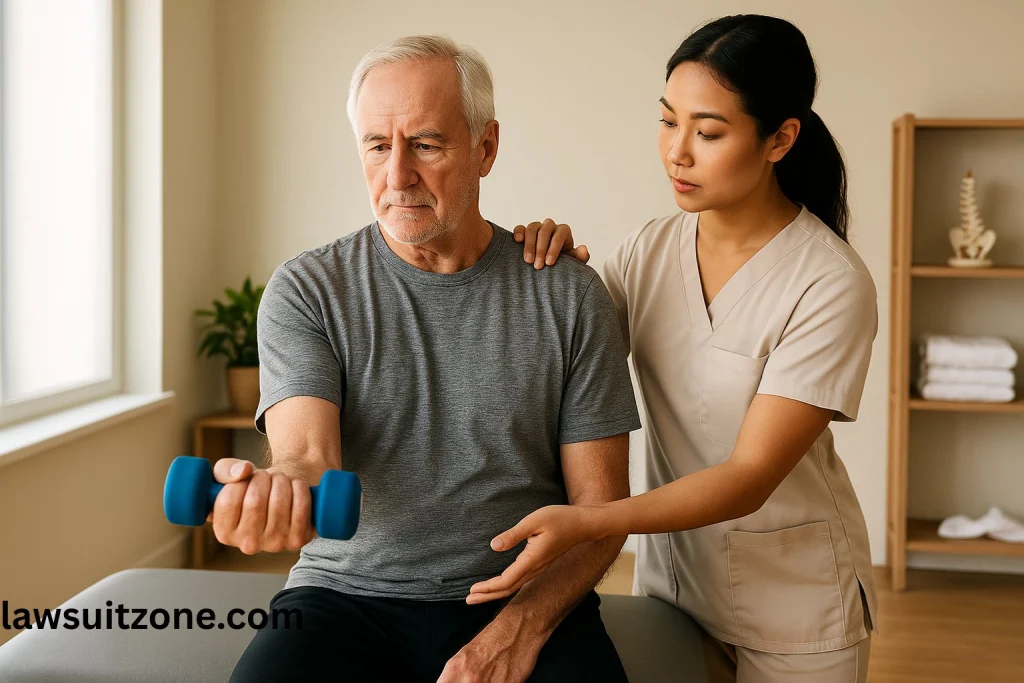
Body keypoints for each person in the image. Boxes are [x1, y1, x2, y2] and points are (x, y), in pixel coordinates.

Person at [214, 35, 641, 683]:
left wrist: (517, 630)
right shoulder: (307, 289)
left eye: (427, 144)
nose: (397, 176)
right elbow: (308, 457)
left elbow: (602, 511)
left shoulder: (566, 292)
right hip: (343, 595)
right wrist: (277, 490)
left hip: (518, 592)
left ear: (486, 148)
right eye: (378, 145)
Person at [471, 14, 879, 683]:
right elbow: (560, 362)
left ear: (780, 139)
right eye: (668, 121)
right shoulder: (646, 252)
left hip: (799, 607)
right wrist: (541, 269)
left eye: (709, 131)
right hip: (677, 593)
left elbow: (749, 477)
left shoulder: (830, 282)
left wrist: (593, 520)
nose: (677, 152)